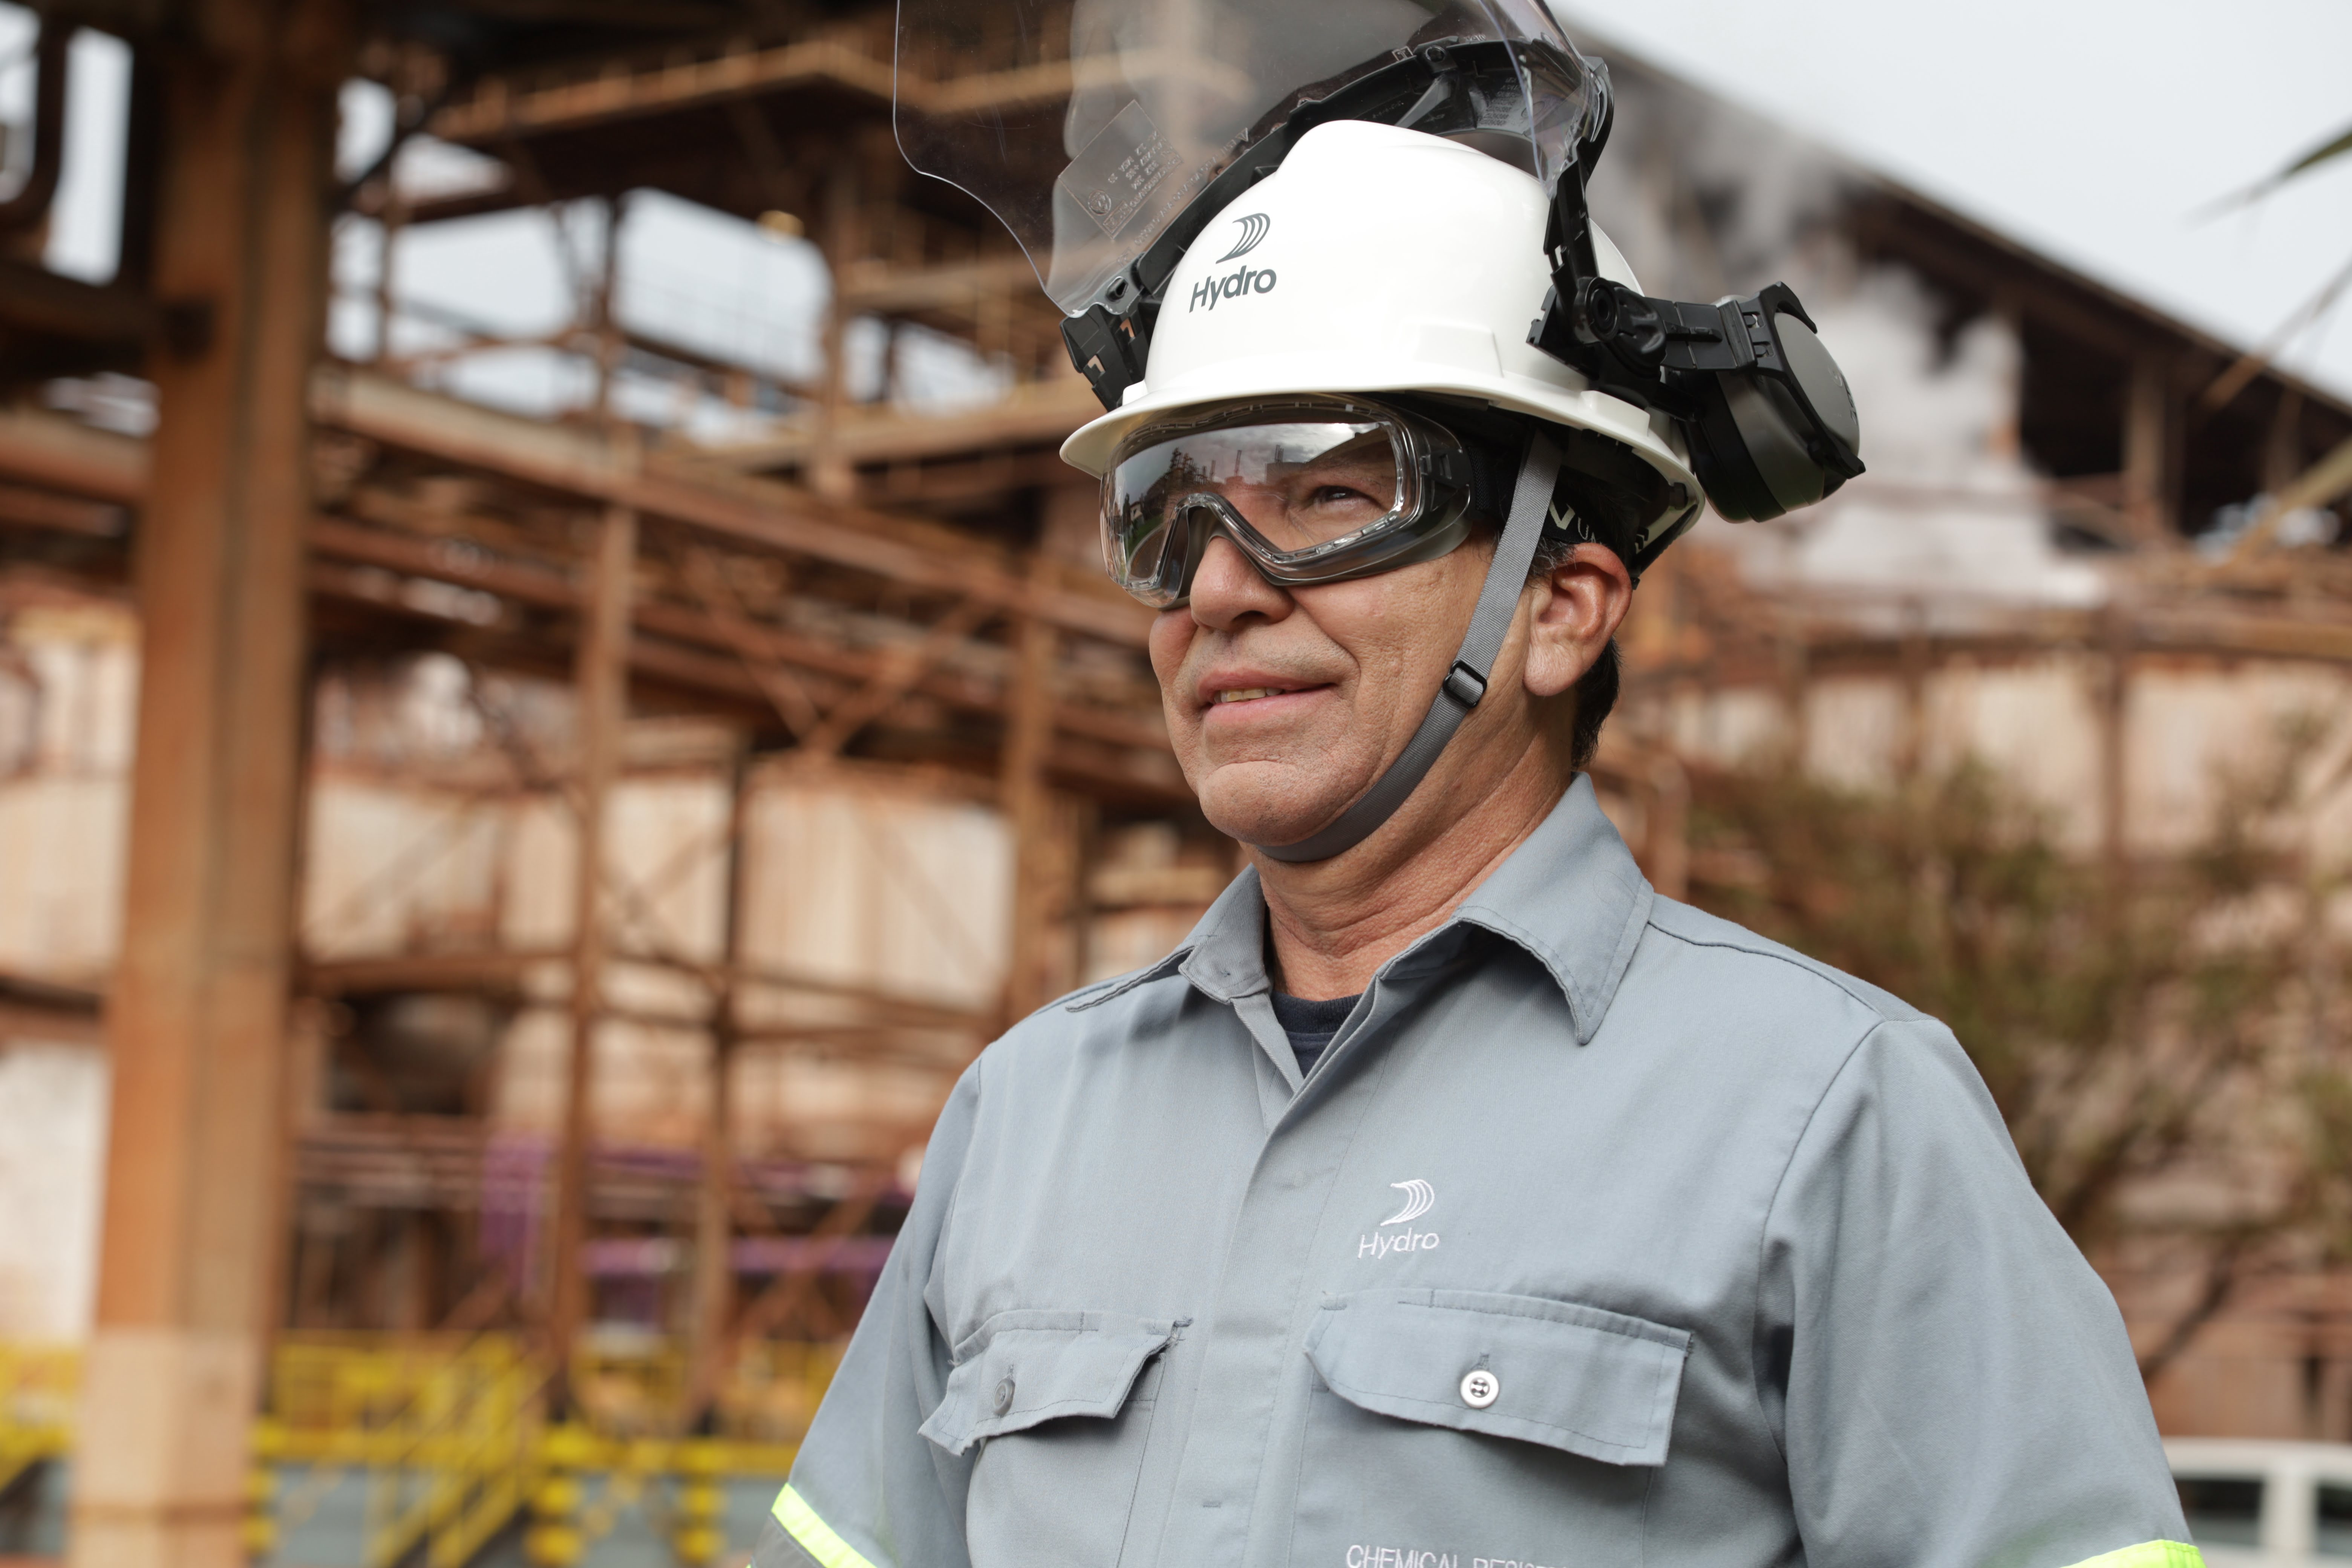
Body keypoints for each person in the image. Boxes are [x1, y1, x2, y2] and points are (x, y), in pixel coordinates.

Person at [756, 12, 2194, 1568]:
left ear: (1561, 607)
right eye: (1169, 512)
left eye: (1330, 491)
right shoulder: (1026, 1113)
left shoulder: (1829, 1116)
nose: (1220, 589)